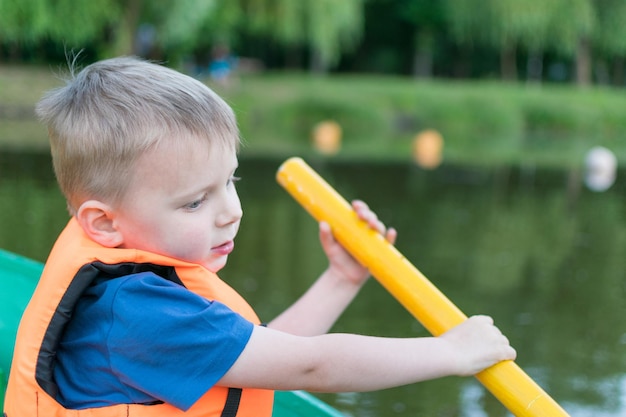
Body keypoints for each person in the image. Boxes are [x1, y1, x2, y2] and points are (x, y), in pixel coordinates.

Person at [4, 57, 516, 417]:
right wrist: (449, 353)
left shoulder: (134, 291)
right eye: (195, 201)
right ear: (105, 224)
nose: (231, 212)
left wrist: (341, 278)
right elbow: (308, 366)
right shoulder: (136, 313)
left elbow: (259, 355)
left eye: (231, 180)